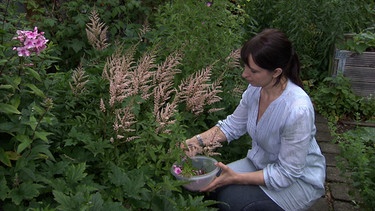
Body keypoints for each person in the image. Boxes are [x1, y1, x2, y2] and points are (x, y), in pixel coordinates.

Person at [184, 28, 326, 211]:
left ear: (276, 72)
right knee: (210, 183)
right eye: (245, 67)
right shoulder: (255, 90)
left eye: (253, 70)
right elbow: (231, 127)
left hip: (297, 182)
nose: (244, 74)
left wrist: (236, 178)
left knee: (231, 200)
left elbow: (287, 174)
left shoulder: (297, 109)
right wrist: (194, 142)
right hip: (259, 164)